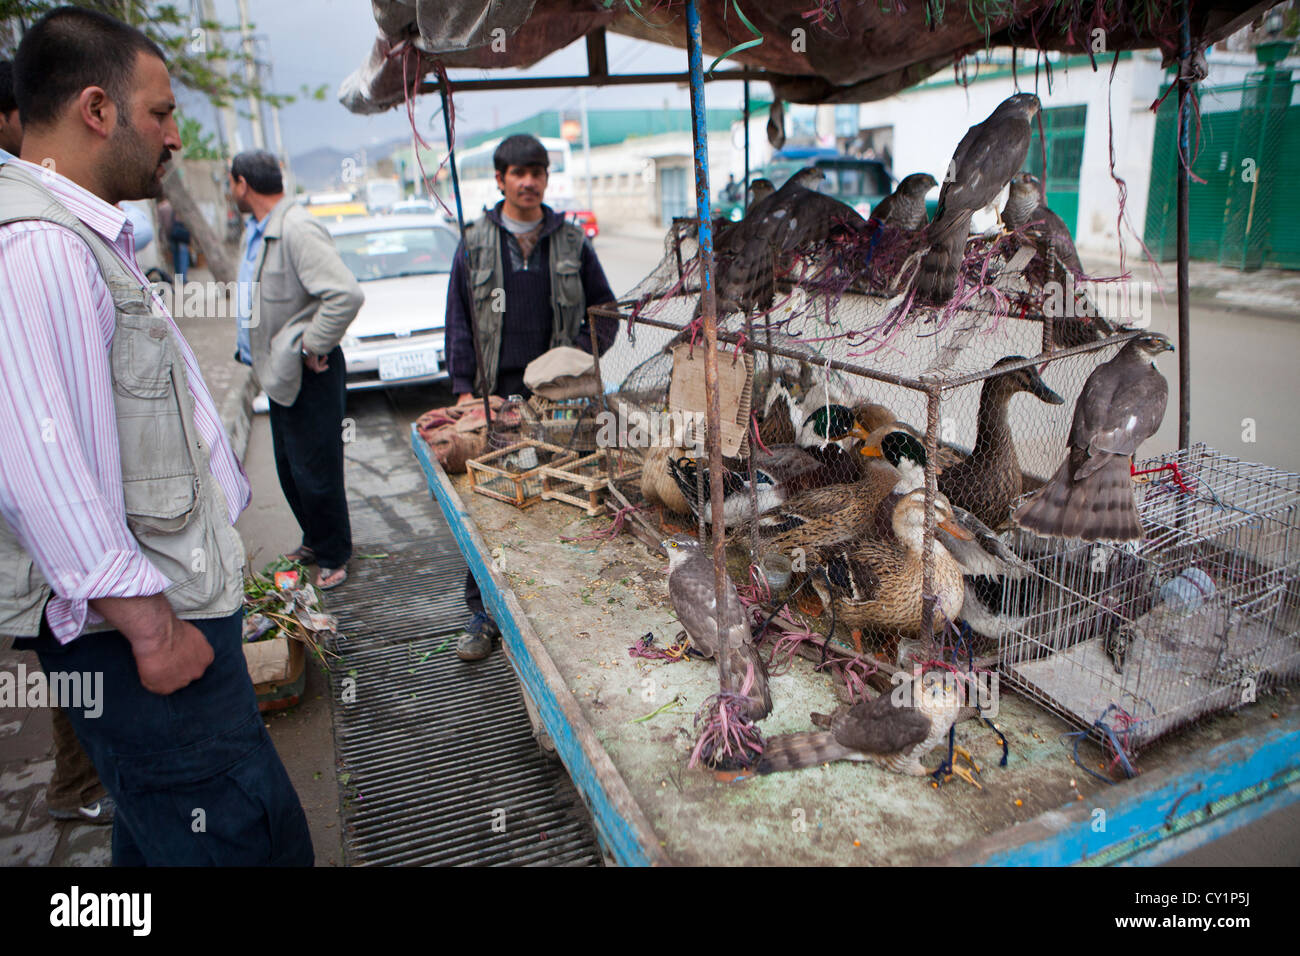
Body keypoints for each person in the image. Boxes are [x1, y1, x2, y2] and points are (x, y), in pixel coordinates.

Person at [0, 6, 312, 865]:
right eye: (162, 113)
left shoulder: (85, 236)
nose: (173, 136)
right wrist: (150, 628)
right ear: (97, 110)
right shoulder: (41, 249)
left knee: (162, 831)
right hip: (137, 636)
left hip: (159, 614)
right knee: (242, 836)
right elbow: (44, 464)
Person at [444, 133, 617, 661]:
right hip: (497, 400)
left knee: (559, 500)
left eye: (537, 172)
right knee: (491, 508)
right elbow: (457, 320)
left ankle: (557, 612)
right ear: (499, 180)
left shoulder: (570, 242)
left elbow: (605, 310)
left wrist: (579, 364)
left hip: (558, 405)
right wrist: (464, 391)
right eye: (517, 173)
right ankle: (482, 614)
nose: (528, 182)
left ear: (545, 178)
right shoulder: (473, 242)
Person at [2, 57, 115, 827]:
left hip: (50, 558)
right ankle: (79, 788)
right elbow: (39, 446)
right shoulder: (33, 240)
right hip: (50, 559)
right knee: (77, 671)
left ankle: (93, 787)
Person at [229, 149, 363, 591]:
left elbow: (345, 294)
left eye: (232, 185)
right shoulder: (261, 229)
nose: (232, 192)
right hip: (280, 371)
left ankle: (334, 554)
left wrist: (312, 343)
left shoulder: (296, 228)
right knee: (290, 467)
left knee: (316, 469)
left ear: (242, 184)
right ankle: (314, 538)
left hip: (310, 369)